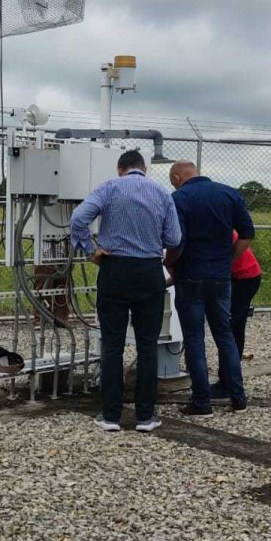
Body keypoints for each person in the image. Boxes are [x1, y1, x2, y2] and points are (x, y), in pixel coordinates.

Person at [71, 150, 181, 433]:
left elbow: (78, 219)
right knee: (147, 345)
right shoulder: (161, 193)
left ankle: (110, 416)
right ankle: (145, 417)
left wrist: (90, 250)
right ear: (144, 168)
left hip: (114, 268)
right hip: (148, 271)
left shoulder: (109, 187)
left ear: (120, 168)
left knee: (112, 345)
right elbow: (174, 238)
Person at [167, 160, 255, 415]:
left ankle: (202, 402)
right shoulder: (229, 193)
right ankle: (238, 397)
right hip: (220, 277)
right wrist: (228, 259)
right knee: (225, 335)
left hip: (190, 276)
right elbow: (247, 233)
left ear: (176, 177)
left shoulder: (179, 198)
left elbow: (176, 241)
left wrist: (169, 263)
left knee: (194, 339)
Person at [230, 230, 262, 360]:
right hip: (240, 276)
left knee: (235, 320)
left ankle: (233, 361)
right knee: (236, 319)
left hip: (246, 277)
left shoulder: (222, 229)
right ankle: (234, 360)